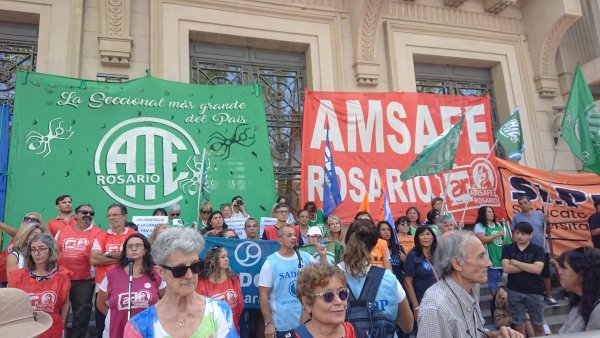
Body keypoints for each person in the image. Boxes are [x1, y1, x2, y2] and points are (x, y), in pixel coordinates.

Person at [124, 228, 237, 337]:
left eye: (195, 266)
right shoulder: (139, 326)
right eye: (179, 270)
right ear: (161, 272)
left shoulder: (219, 312)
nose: (189, 275)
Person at [417, 230, 523, 338]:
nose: (489, 263)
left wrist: (494, 335)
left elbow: (475, 333)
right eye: (481, 256)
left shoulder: (467, 291)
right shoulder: (435, 308)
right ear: (457, 263)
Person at [339, 220, 413, 334]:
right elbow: (407, 326)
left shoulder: (330, 277)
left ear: (346, 241)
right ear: (374, 246)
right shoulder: (389, 278)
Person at [258, 225, 327, 338]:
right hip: (281, 326)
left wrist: (322, 256)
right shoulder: (270, 263)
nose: (294, 238)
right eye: (289, 235)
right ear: (280, 240)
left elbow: (324, 276)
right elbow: (263, 295)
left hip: (306, 324)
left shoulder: (305, 257)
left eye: (295, 235)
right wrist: (268, 323)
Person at [97, 233, 165, 337]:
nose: (134, 249)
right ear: (125, 252)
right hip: (116, 331)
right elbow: (100, 303)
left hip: (148, 331)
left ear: (145, 250)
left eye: (138, 245)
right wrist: (117, 316)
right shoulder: (112, 275)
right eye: (130, 246)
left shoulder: (156, 273)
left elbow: (167, 300)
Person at [8, 233, 72, 338]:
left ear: (51, 250)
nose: (37, 253)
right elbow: (11, 305)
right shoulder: (17, 276)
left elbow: (65, 304)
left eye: (42, 249)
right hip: (25, 329)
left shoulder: (63, 275)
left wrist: (62, 323)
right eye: (33, 249)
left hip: (52, 328)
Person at [55, 204, 102, 338]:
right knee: (58, 314)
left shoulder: (99, 233)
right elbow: (54, 252)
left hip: (84, 280)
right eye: (84, 212)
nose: (88, 215)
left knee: (81, 316)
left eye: (91, 213)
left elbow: (100, 256)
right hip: (61, 278)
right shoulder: (63, 231)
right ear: (75, 215)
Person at [91, 203, 137, 336]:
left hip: (129, 285)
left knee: (128, 325)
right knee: (103, 324)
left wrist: (106, 254)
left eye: (115, 215)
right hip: (103, 287)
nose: (111, 218)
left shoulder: (134, 235)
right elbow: (94, 260)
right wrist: (124, 256)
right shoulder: (101, 236)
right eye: (109, 215)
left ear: (125, 216)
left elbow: (137, 256)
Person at [510, 196, 557, 307]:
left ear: (530, 203)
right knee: (527, 274)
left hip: (541, 249)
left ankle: (549, 296)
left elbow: (548, 231)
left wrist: (548, 222)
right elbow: (514, 234)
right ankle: (531, 297)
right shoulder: (517, 217)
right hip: (525, 250)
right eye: (521, 203)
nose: (523, 205)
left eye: (525, 202)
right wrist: (515, 247)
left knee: (546, 273)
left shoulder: (540, 215)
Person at [501, 221, 546, 336]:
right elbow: (506, 268)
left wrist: (515, 262)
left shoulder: (538, 249)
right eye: (517, 233)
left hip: (535, 292)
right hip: (514, 291)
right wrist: (529, 265)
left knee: (538, 325)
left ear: (531, 235)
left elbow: (537, 270)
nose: (519, 236)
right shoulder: (508, 248)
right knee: (519, 326)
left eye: (523, 234)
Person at [294, 263, 356, 337]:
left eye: (342, 293)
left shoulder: (357, 333)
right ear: (307, 303)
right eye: (328, 295)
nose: (339, 301)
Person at [196, 246, 244, 335]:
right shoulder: (201, 282)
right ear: (213, 261)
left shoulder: (234, 278)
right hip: (209, 331)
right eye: (222, 257)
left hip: (231, 327)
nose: (227, 259)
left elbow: (240, 303)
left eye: (227, 256)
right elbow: (198, 308)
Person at [555, 246, 600, 333]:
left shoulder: (598, 310)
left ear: (582, 274)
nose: (559, 272)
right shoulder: (578, 303)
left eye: (564, 268)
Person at [474, 206, 511, 297]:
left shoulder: (498, 225)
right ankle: (495, 302)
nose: (492, 213)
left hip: (502, 257)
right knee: (493, 281)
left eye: (492, 212)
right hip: (490, 258)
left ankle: (509, 300)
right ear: (483, 214)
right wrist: (498, 234)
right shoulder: (479, 226)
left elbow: (505, 239)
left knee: (509, 280)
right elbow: (482, 240)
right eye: (489, 212)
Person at [404, 226, 438, 321]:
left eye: (428, 234)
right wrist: (416, 307)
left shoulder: (439, 253)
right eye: (421, 234)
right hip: (423, 301)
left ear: (433, 237)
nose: (425, 237)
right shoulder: (412, 255)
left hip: (441, 300)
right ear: (417, 238)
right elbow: (407, 282)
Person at [379, 221, 406, 286]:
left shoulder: (399, 248)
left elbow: (406, 270)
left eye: (388, 230)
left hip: (398, 284)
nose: (386, 232)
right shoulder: (375, 249)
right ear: (378, 232)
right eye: (383, 230)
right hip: (382, 284)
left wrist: (405, 260)